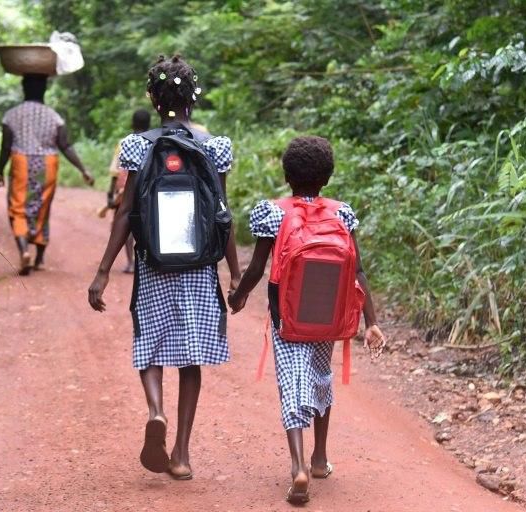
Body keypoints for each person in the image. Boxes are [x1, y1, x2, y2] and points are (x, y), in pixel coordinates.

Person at [87, 55, 241, 480]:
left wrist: (103, 272)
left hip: (153, 265)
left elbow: (125, 212)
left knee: (149, 342)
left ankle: (156, 411)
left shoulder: (140, 145)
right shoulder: (214, 147)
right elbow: (223, 214)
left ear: (153, 98)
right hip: (199, 268)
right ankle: (182, 454)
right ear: (194, 97)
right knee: (190, 359)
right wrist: (235, 273)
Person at [227, 136, 386, 505]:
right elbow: (358, 270)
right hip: (328, 315)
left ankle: (297, 465)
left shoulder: (273, 212)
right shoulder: (342, 214)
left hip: (288, 316)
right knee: (320, 374)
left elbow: (256, 268)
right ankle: (319, 458)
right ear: (327, 177)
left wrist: (238, 296)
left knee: (292, 383)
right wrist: (371, 322)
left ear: (286, 176)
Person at [0, 73, 94, 275]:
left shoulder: (11, 115)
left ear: (24, 88)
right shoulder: (54, 116)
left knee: (19, 208)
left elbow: (6, 146)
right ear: (44, 90)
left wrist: (0, 171)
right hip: (48, 164)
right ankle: (39, 258)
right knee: (42, 207)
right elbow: (65, 145)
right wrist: (83, 169)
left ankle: (24, 252)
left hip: (21, 162)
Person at [102, 109, 152, 273]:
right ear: (149, 124)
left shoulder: (125, 142)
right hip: (147, 191)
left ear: (132, 123)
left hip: (125, 191)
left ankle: (131, 262)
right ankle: (146, 262)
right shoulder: (154, 142)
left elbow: (116, 169)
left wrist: (110, 193)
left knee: (127, 225)